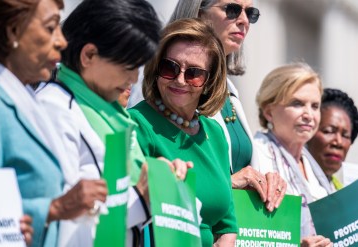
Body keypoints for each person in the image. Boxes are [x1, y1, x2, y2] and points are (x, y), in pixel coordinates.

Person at [35, 0, 192, 246]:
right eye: (128, 66)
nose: (133, 78)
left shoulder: (112, 116)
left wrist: (159, 180)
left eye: (139, 67)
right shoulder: (55, 110)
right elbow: (63, 225)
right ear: (88, 55)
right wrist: (141, 197)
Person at [127, 0, 286, 211]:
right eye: (232, 9)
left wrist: (265, 181)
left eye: (251, 13)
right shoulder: (162, 80)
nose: (244, 20)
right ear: (198, 10)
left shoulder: (230, 91)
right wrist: (225, 185)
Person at [0, 0, 110, 246]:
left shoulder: (23, 98)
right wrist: (55, 208)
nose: (62, 41)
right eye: (50, 27)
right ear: (13, 31)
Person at [128, 18, 237, 247]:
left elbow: (227, 222)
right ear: (157, 68)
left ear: (208, 82)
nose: (179, 80)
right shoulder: (137, 124)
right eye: (170, 67)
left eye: (194, 73)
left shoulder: (215, 133)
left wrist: (227, 238)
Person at [254, 63, 333, 246]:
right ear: (269, 111)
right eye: (297, 104)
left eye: (315, 106)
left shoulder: (313, 164)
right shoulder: (256, 153)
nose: (309, 114)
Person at [308, 88, 358, 191]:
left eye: (346, 136)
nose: (338, 142)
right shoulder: (286, 183)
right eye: (328, 131)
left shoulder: (342, 192)